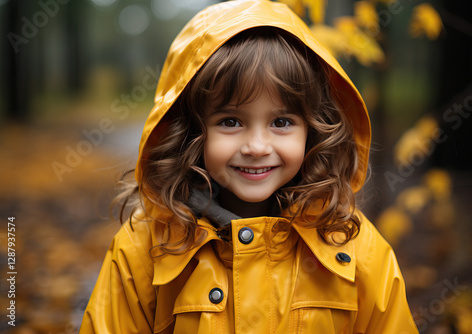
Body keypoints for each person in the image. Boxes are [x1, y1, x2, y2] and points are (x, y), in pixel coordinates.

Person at [80, 0, 418, 332]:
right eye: (230, 122)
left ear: (313, 130)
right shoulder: (144, 249)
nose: (257, 147)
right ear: (193, 131)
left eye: (282, 122)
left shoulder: (355, 248)